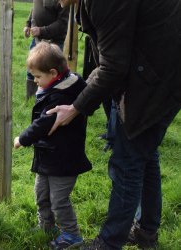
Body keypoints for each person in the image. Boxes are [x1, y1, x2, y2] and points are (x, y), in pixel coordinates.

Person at [47, 0, 181, 249]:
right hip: (160, 72)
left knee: (127, 163)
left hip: (157, 80)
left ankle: (109, 243)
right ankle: (146, 232)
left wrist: (76, 108)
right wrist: (82, 93)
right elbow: (111, 57)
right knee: (145, 154)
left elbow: (114, 66)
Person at [14, 42, 92, 249]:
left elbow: (44, 122)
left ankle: (71, 235)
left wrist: (22, 138)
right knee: (41, 194)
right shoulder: (56, 86)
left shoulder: (62, 95)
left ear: (53, 72)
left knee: (59, 200)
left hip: (65, 159)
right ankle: (46, 226)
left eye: (38, 77)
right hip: (48, 155)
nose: (36, 82)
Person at [23, 0, 69, 99]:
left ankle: (50, 100)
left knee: (51, 74)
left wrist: (41, 30)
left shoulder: (64, 1)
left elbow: (62, 23)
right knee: (32, 70)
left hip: (54, 42)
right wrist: (28, 25)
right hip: (37, 40)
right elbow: (34, 9)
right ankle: (31, 100)